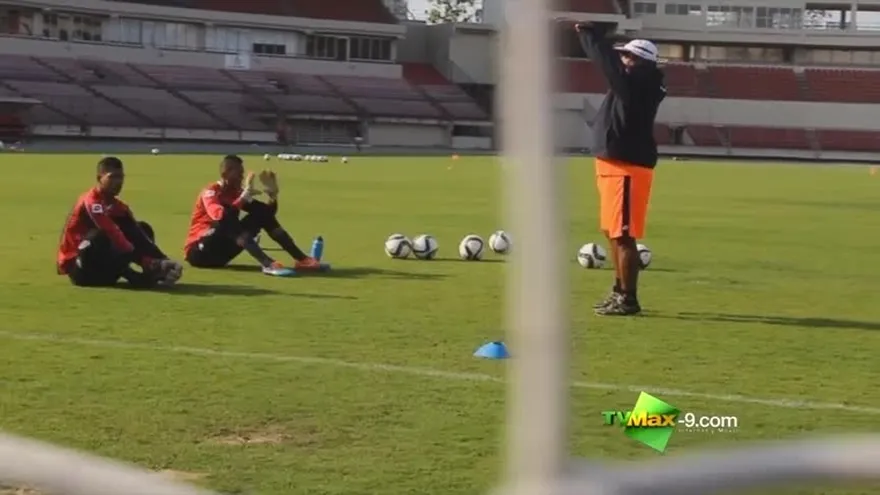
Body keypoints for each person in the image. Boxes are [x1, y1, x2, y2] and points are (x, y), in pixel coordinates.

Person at [575, 21, 667, 316]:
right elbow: (613, 69)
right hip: (613, 164)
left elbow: (608, 66)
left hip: (628, 167)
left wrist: (591, 37)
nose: (623, 60)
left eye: (628, 56)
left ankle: (629, 299)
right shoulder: (635, 82)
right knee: (614, 233)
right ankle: (619, 292)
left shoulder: (640, 84)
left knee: (624, 235)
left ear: (639, 61)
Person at [183, 154, 324, 276]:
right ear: (226, 173)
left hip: (220, 257)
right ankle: (267, 263)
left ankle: (302, 259)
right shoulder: (211, 192)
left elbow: (266, 215)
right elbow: (220, 216)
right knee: (227, 222)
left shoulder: (236, 193)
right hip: (199, 253)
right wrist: (243, 197)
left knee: (259, 214)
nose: (241, 178)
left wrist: (272, 197)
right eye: (239, 174)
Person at [56, 156, 183, 287]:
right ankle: (134, 275)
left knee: (142, 228)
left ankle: (153, 273)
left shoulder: (118, 206)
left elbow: (138, 236)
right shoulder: (91, 202)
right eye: (112, 177)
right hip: (80, 269)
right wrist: (146, 261)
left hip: (104, 271)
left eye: (121, 177)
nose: (118, 182)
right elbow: (111, 232)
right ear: (99, 179)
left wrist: (163, 260)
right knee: (100, 237)